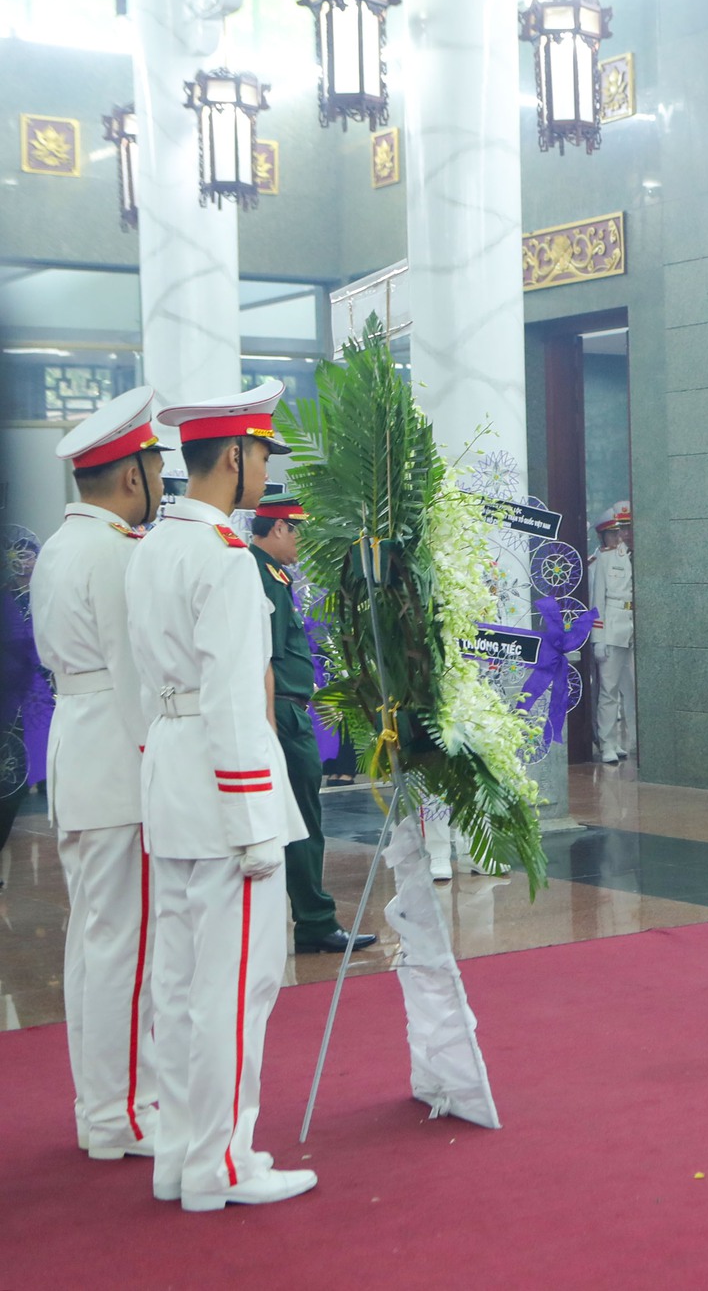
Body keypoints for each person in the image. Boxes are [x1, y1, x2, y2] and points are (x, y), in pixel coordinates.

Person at [131, 384, 316, 1210]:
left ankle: (179, 1156)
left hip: (170, 777)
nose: (268, 473)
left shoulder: (152, 547)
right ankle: (224, 1165)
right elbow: (240, 702)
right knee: (236, 986)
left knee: (177, 985)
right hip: (220, 788)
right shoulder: (224, 559)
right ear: (235, 457)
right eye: (265, 456)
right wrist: (253, 823)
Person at [32, 386, 165, 1163]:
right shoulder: (114, 552)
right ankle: (121, 1113)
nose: (157, 479)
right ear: (128, 478)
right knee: (126, 946)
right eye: (152, 465)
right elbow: (134, 679)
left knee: (94, 942)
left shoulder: (60, 544)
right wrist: (165, 770)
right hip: (117, 762)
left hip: (77, 755)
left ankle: (99, 1107)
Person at [250, 491, 377, 956]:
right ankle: (315, 921)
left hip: (281, 709)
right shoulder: (262, 577)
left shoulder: (271, 574)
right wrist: (271, 722)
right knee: (300, 819)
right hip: (279, 712)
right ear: (280, 528)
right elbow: (261, 656)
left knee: (298, 816)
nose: (303, 543)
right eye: (299, 531)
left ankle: (310, 919)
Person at [588, 502, 635, 764]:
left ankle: (635, 740)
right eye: (620, 530)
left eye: (627, 529)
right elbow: (598, 603)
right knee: (609, 689)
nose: (623, 535)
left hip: (634, 626)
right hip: (613, 629)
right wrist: (599, 639)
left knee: (633, 689)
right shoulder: (605, 559)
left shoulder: (638, 556)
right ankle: (607, 742)